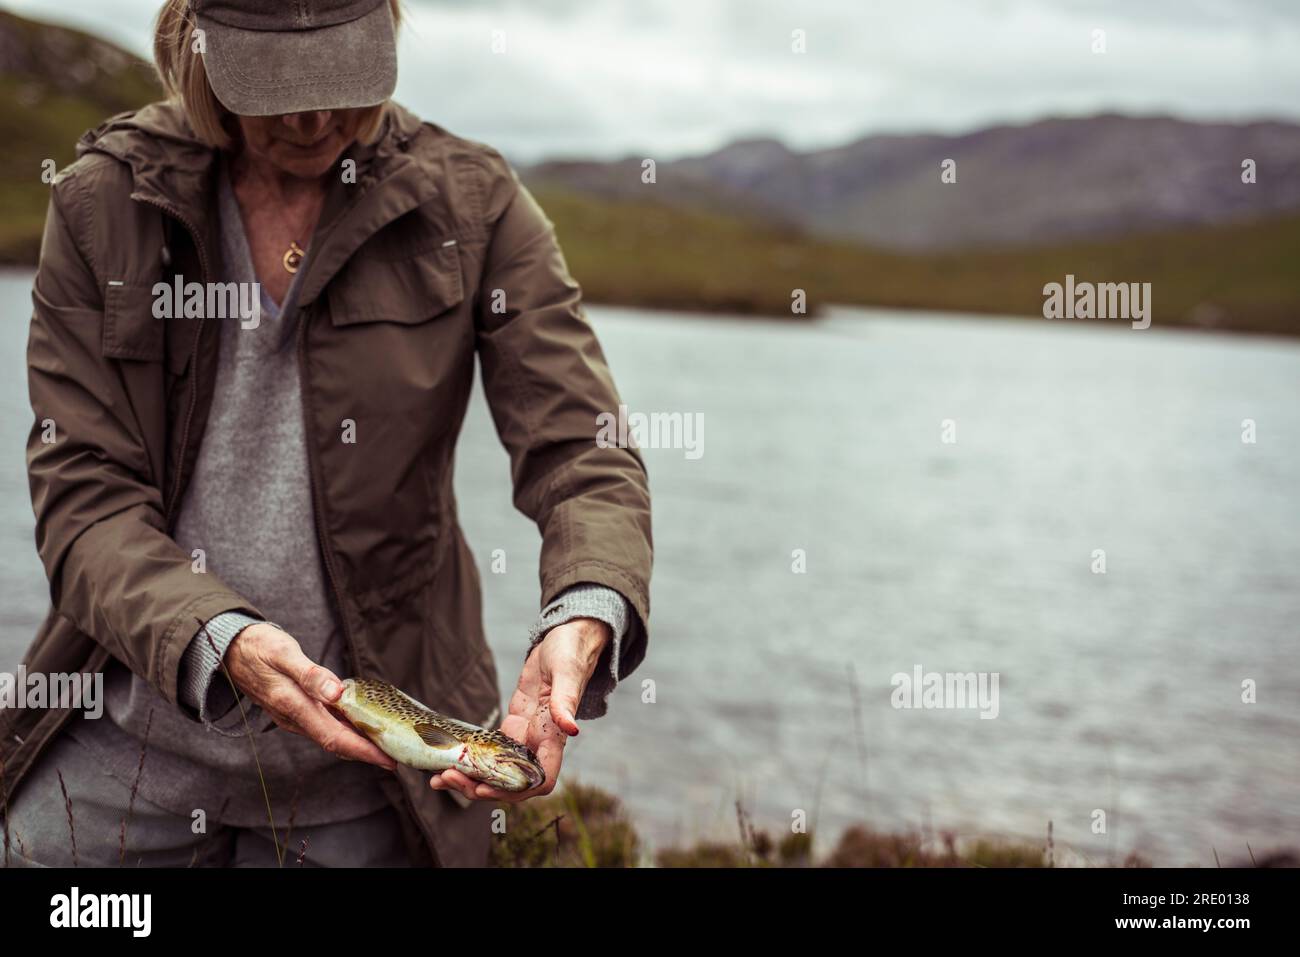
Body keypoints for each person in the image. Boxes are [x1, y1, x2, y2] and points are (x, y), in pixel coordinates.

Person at [0, 0, 652, 867]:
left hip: (367, 780)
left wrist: (583, 609)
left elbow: (583, 445)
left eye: (339, 79)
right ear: (201, 52)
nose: (313, 119)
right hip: (124, 746)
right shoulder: (101, 201)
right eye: (276, 87)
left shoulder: (475, 202)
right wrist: (219, 639)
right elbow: (83, 496)